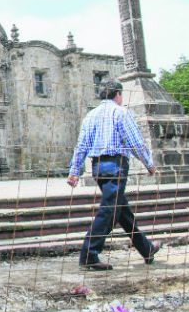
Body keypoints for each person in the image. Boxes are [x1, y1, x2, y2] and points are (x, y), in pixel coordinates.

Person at [67, 79, 161, 271]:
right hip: (115, 166)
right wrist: (149, 164)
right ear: (117, 94)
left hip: (98, 168)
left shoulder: (90, 115)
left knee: (121, 210)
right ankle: (89, 254)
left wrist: (74, 171)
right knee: (109, 210)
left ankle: (147, 249)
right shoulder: (121, 113)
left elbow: (81, 146)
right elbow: (135, 142)